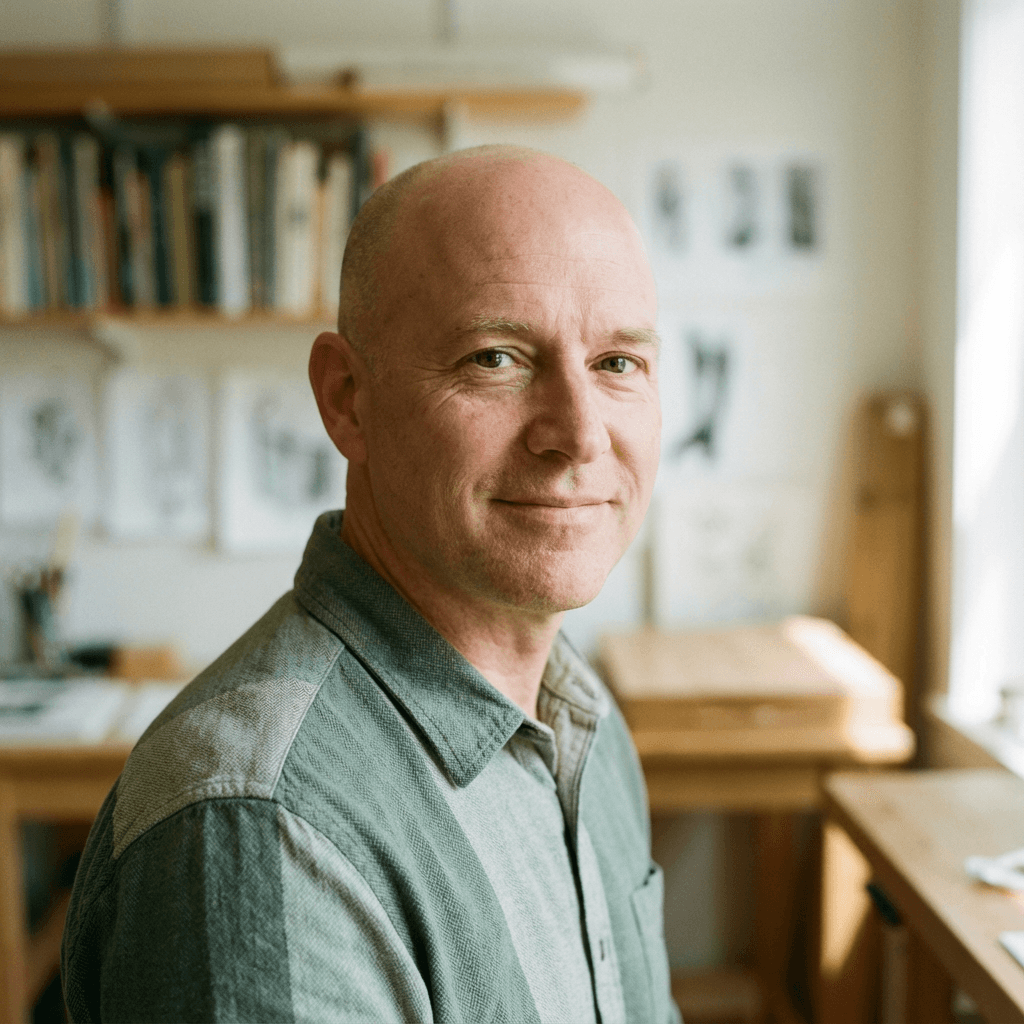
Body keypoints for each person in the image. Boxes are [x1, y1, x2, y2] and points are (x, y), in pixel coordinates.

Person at [62, 145, 677, 1023]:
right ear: (347, 398)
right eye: (495, 358)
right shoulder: (262, 826)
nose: (578, 435)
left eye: (618, 363)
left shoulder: (583, 721)